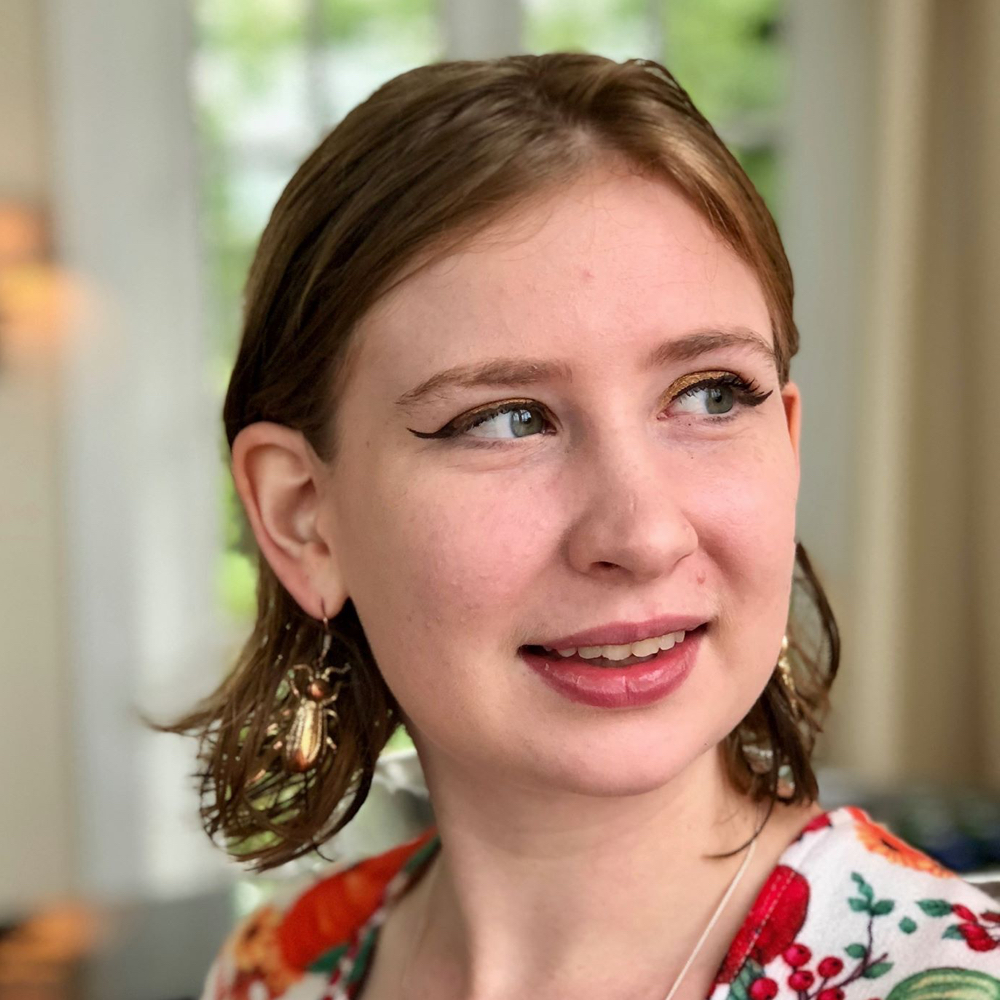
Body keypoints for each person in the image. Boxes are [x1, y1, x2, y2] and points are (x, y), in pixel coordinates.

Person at [165, 53, 1000, 1000]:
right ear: (303, 518)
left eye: (711, 396)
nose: (643, 534)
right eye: (506, 418)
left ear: (789, 445)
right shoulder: (273, 973)